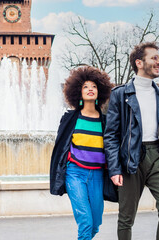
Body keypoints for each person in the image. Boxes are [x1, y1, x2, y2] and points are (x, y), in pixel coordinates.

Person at [104, 42, 159, 240]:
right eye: (154, 58)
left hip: (157, 158)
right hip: (130, 159)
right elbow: (110, 135)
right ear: (139, 62)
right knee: (126, 218)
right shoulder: (120, 94)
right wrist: (114, 168)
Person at [50, 66, 113, 239]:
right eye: (85, 86)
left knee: (95, 224)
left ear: (100, 91)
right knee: (85, 221)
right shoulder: (70, 119)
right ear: (78, 91)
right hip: (75, 173)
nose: (90, 89)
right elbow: (60, 148)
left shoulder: (105, 121)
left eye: (94, 86)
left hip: (97, 175)